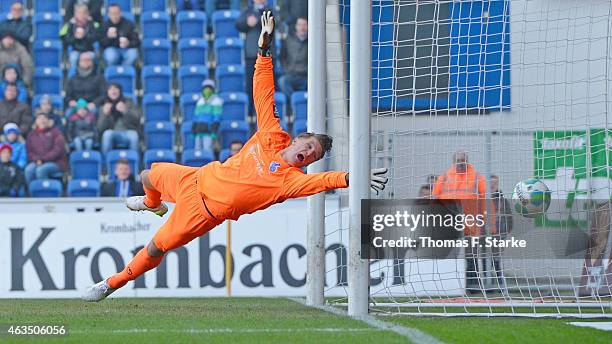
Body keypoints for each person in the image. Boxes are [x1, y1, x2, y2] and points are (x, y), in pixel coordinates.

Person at [82, 11, 389, 301]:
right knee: (146, 176)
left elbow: (325, 181)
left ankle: (111, 283)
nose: (308, 155)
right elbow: (263, 92)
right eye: (308, 146)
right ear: (298, 139)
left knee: (154, 249)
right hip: (195, 177)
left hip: (201, 213)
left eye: (313, 156)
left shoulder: (290, 182)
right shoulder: (271, 134)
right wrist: (264, 51)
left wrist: (353, 177)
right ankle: (153, 204)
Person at [432, 151, 496, 294]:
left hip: (471, 223)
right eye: (458, 160)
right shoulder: (443, 178)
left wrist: (490, 222)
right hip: (449, 224)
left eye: (463, 160)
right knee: (449, 255)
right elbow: (434, 200)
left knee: (471, 255)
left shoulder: (477, 178)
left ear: (467, 161)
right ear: (454, 162)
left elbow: (487, 202)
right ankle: (448, 286)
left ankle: (473, 286)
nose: (461, 163)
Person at [236, 0, 269, 118]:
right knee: (251, 83)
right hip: (251, 53)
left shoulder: (270, 10)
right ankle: (251, 110)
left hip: (266, 54)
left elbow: (273, 24)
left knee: (266, 85)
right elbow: (239, 24)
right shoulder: (248, 11)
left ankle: (264, 112)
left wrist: (258, 18)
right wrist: (247, 23)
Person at [96, 83, 141, 153]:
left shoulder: (129, 102)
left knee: (134, 136)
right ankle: (105, 162)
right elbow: (100, 128)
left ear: (120, 91)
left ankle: (134, 160)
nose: (113, 91)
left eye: (115, 89)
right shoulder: (104, 106)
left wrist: (125, 111)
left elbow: (137, 119)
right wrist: (105, 114)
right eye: (110, 89)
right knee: (107, 134)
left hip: (127, 131)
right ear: (107, 92)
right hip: (113, 132)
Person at [24, 113, 67, 185]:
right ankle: (31, 192)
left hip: (56, 162)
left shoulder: (56, 133)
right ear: (36, 122)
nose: (42, 121)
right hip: (37, 161)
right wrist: (36, 159)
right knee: (29, 170)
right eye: (39, 119)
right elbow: (29, 152)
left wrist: (42, 159)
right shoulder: (31, 135)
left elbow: (57, 151)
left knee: (41, 170)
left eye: (44, 119)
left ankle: (43, 193)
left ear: (49, 121)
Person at [490, 174, 512, 294]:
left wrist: (505, 231)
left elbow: (509, 217)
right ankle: (486, 284)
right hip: (484, 235)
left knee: (497, 259)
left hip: (498, 235)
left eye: (495, 182)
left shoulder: (502, 200)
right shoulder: (482, 199)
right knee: (483, 259)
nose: (492, 185)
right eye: (490, 182)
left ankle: (501, 285)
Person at [60, 4, 100, 68]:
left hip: (89, 50)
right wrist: (75, 37)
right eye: (79, 13)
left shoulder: (93, 24)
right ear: (75, 14)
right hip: (75, 50)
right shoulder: (70, 24)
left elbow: (96, 38)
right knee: (73, 57)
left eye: (84, 13)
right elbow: (66, 40)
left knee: (91, 57)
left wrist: (85, 35)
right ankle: (73, 76)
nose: (82, 15)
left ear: (88, 14)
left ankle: (94, 76)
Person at [278, 17, 307, 99]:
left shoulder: (312, 41)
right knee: (282, 81)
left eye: (304, 25)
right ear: (296, 26)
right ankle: (294, 103)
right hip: (291, 75)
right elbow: (282, 57)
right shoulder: (288, 40)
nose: (302, 28)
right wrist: (286, 69)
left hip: (306, 77)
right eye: (300, 25)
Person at [192, 79, 223, 151]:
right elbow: (196, 116)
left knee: (207, 151)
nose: (207, 90)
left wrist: (214, 129)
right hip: (198, 130)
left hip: (209, 132)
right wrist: (194, 127)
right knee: (197, 151)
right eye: (205, 88)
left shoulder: (216, 101)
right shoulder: (200, 101)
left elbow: (217, 116)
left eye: (209, 88)